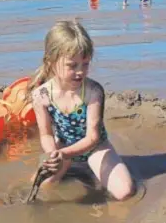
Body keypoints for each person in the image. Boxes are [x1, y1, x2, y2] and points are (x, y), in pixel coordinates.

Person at [27, 20, 134, 201]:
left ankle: (88, 168)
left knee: (125, 193)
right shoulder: (41, 95)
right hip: (63, 147)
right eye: (72, 65)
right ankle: (69, 168)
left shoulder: (93, 91)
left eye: (85, 64)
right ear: (51, 62)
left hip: (94, 148)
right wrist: (53, 155)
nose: (80, 72)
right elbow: (46, 135)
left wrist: (65, 155)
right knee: (38, 188)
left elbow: (93, 137)